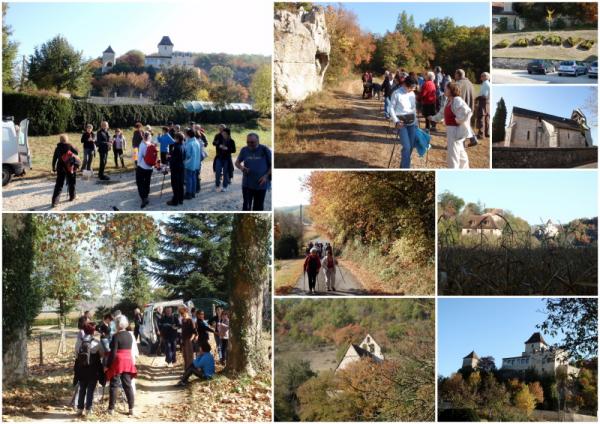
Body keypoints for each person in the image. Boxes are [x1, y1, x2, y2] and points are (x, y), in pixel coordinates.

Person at [428, 82, 472, 169]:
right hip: (451, 129)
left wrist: (458, 120)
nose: (444, 90)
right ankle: (465, 170)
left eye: (446, 88)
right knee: (461, 155)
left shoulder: (457, 100)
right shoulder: (448, 100)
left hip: (455, 130)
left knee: (453, 155)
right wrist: (432, 118)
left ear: (451, 90)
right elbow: (441, 114)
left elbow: (467, 112)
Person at [105, 316, 137, 416]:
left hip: (118, 360)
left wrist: (108, 365)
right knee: (127, 385)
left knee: (114, 385)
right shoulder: (129, 335)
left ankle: (111, 409)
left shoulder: (116, 336)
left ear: (117, 324)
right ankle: (131, 408)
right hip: (128, 359)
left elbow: (113, 353)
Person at [74, 323, 105, 416]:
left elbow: (76, 355)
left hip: (81, 369)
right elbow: (102, 355)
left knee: (82, 388)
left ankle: (79, 408)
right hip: (93, 370)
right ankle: (88, 410)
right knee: (90, 390)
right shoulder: (96, 342)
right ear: (93, 332)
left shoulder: (79, 342)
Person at [235, 133, 271, 211]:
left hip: (261, 184)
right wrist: (242, 168)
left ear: (258, 141)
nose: (249, 144)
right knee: (246, 207)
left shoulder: (265, 149)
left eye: (252, 142)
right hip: (247, 184)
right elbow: (237, 163)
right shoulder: (244, 150)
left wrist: (266, 176)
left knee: (258, 207)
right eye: (248, 142)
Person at [390, 76, 418, 169]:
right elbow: (391, 108)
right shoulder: (396, 93)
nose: (412, 90)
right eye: (411, 88)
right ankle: (406, 168)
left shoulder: (412, 94)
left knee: (411, 146)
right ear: (405, 84)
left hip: (412, 123)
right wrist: (396, 121)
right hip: (402, 124)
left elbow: (413, 109)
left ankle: (403, 166)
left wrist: (416, 122)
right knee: (406, 146)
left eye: (413, 88)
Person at [51, 134, 79, 207]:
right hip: (70, 166)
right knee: (71, 182)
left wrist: (53, 167)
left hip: (60, 167)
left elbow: (54, 159)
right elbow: (77, 152)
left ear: (60, 140)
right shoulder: (70, 146)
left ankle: (55, 202)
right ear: (67, 140)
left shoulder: (57, 148)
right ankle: (72, 197)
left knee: (59, 184)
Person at [454, 69, 477, 147]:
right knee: (465, 123)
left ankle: (462, 144)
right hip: (468, 107)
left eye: (455, 74)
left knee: (461, 125)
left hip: (461, 107)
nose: (454, 75)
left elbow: (454, 95)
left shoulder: (458, 83)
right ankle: (473, 138)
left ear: (458, 75)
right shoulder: (470, 83)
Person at [135, 131, 156, 208]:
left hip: (142, 166)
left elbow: (140, 155)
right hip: (150, 167)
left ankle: (143, 198)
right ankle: (146, 195)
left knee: (140, 182)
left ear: (144, 137)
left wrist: (138, 165)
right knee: (147, 181)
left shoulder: (142, 144)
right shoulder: (151, 144)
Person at [213, 128, 236, 192]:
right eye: (223, 133)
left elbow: (234, 150)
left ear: (228, 134)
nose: (223, 134)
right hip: (219, 158)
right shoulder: (220, 139)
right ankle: (217, 185)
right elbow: (215, 143)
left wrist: (227, 148)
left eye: (224, 133)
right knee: (217, 172)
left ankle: (224, 186)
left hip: (227, 159)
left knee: (226, 173)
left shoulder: (231, 141)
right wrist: (219, 145)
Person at [167, 132, 186, 206]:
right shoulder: (183, 145)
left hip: (176, 167)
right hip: (182, 166)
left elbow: (174, 159)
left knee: (175, 184)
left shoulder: (177, 147)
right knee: (180, 184)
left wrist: (169, 158)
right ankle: (180, 199)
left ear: (177, 139)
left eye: (175, 138)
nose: (174, 139)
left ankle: (175, 201)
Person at [183, 129, 200, 199]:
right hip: (196, 164)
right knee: (193, 178)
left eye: (186, 134)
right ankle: (193, 192)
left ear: (188, 135)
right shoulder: (196, 141)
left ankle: (188, 193)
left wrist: (184, 161)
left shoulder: (189, 144)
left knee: (189, 178)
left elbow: (187, 155)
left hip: (189, 164)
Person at [476, 72, 491, 138]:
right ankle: (487, 133)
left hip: (483, 102)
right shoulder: (488, 84)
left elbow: (484, 95)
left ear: (485, 77)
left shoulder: (485, 84)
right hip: (488, 103)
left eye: (482, 76)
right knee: (487, 118)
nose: (481, 77)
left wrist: (476, 98)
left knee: (481, 117)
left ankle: (481, 134)